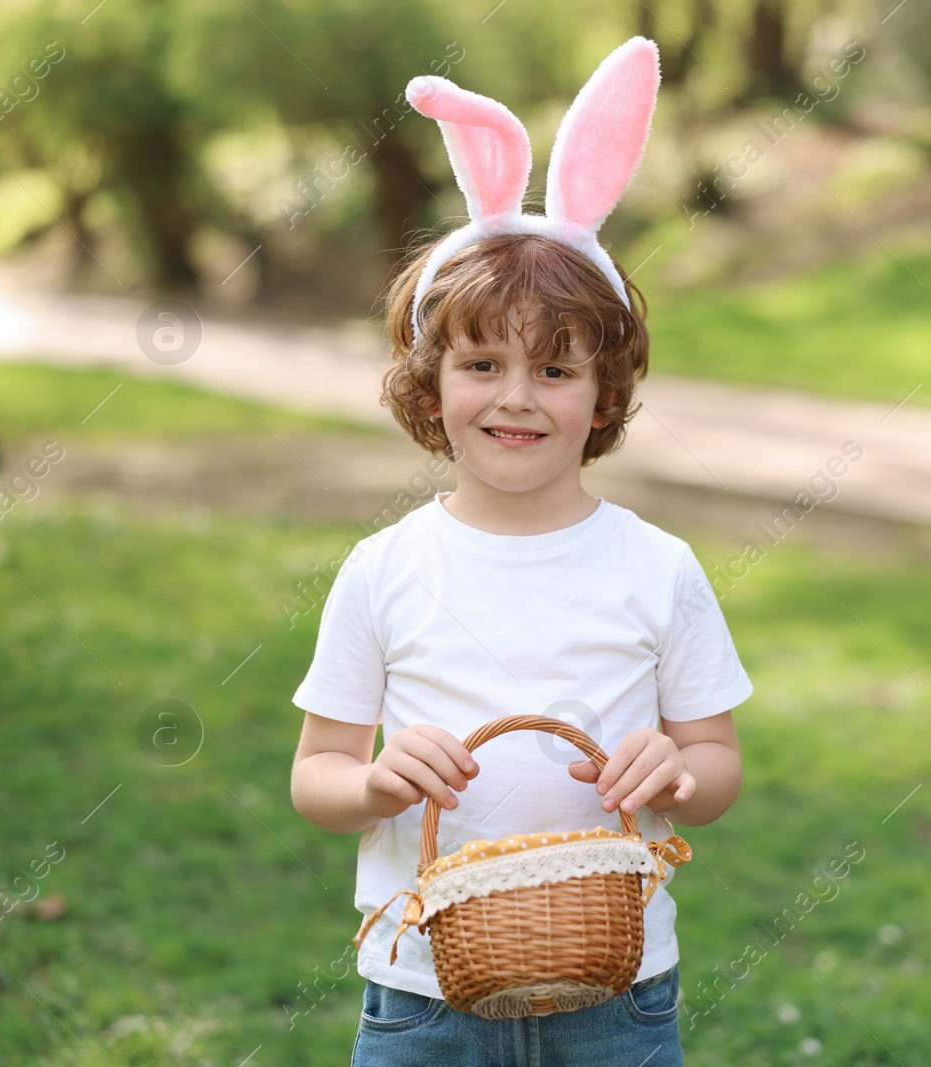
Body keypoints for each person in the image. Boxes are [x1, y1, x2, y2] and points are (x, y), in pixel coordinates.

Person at [290, 39, 751, 1065]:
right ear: (429, 381)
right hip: (422, 993)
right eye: (482, 361)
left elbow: (717, 767)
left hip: (616, 994)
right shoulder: (383, 567)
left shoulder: (658, 566)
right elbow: (316, 774)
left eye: (554, 367)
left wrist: (679, 768)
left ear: (604, 396)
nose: (514, 396)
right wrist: (372, 781)